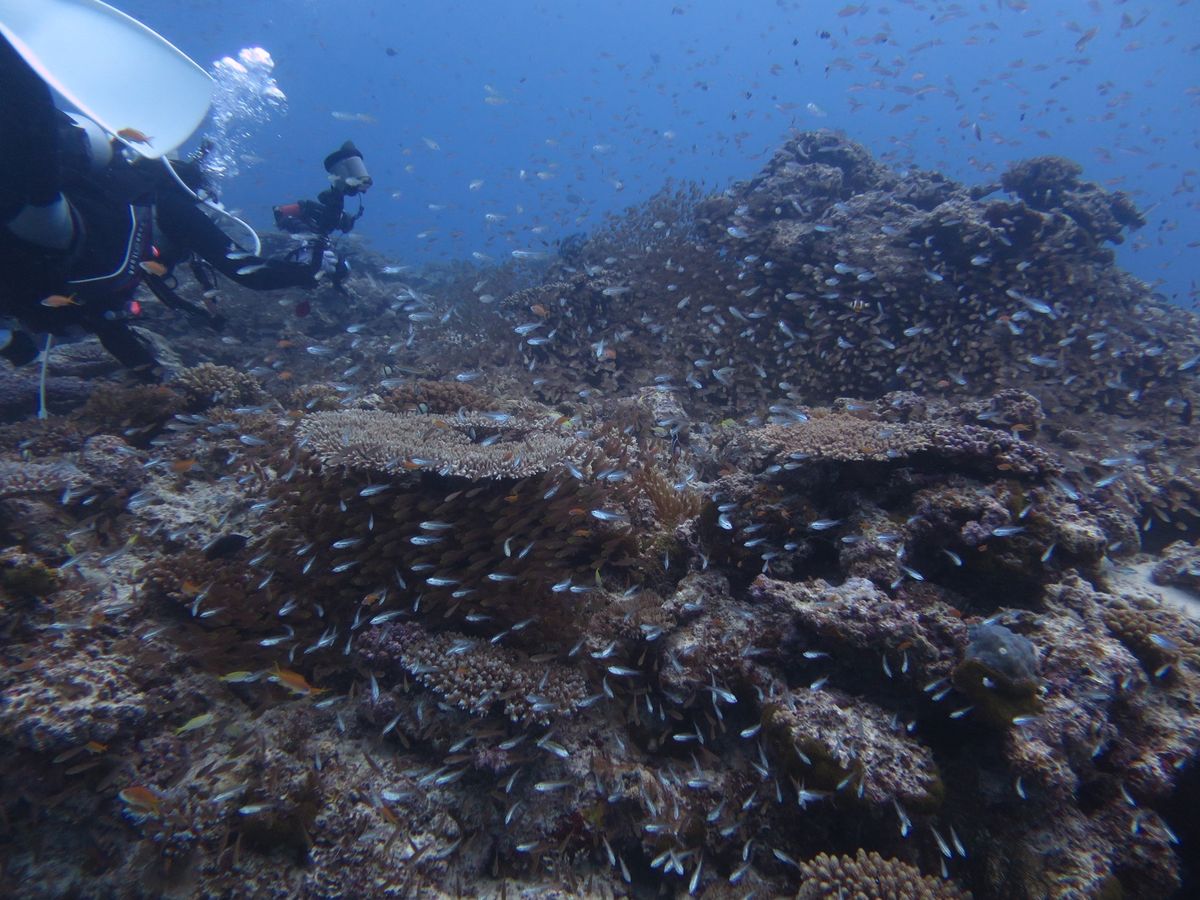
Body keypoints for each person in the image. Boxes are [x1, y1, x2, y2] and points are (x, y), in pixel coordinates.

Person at [0, 34, 371, 379]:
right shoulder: (169, 203)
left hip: (41, 266)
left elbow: (107, 323)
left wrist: (150, 377)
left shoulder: (137, 198)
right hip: (68, 237)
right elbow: (251, 274)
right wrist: (311, 271)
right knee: (32, 162)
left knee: (27, 177)